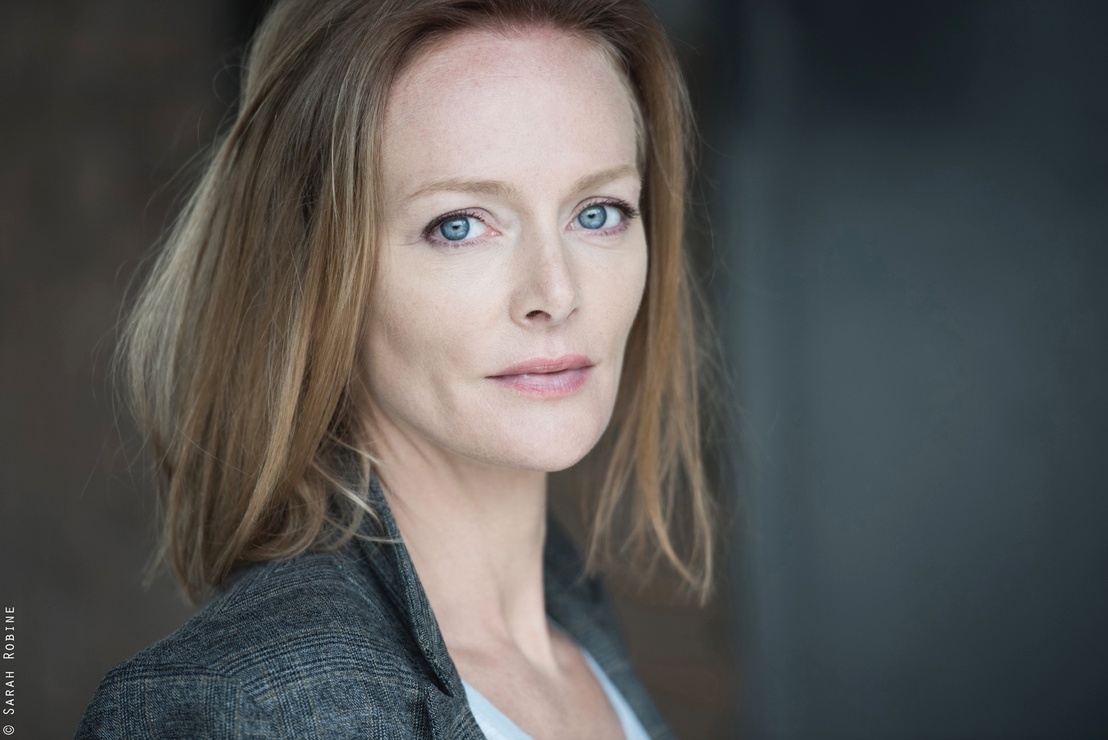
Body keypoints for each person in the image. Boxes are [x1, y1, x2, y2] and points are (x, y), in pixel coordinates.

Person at [77, 0, 716, 736]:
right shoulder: (239, 708)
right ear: (316, 271)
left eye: (598, 212)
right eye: (459, 225)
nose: (557, 292)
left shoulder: (583, 638)